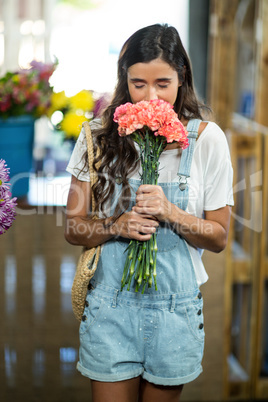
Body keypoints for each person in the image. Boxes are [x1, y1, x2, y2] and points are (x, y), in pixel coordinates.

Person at [65, 23, 234, 402]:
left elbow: (220, 237)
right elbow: (74, 229)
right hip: (110, 307)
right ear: (124, 80)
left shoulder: (208, 140)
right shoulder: (95, 136)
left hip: (177, 311)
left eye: (163, 83)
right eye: (138, 84)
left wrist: (171, 212)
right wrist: (116, 224)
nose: (150, 96)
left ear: (181, 78)